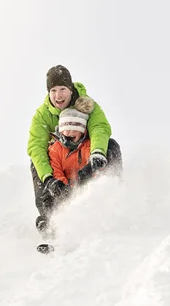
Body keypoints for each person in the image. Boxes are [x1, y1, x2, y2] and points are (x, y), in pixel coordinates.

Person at [27, 65, 123, 239]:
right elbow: (36, 147)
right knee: (37, 162)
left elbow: (99, 127)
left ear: (70, 90)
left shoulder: (88, 105)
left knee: (111, 145)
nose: (58, 95)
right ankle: (50, 220)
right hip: (59, 163)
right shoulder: (42, 115)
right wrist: (50, 180)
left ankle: (114, 197)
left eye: (63, 89)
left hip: (84, 159)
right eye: (53, 90)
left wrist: (97, 154)